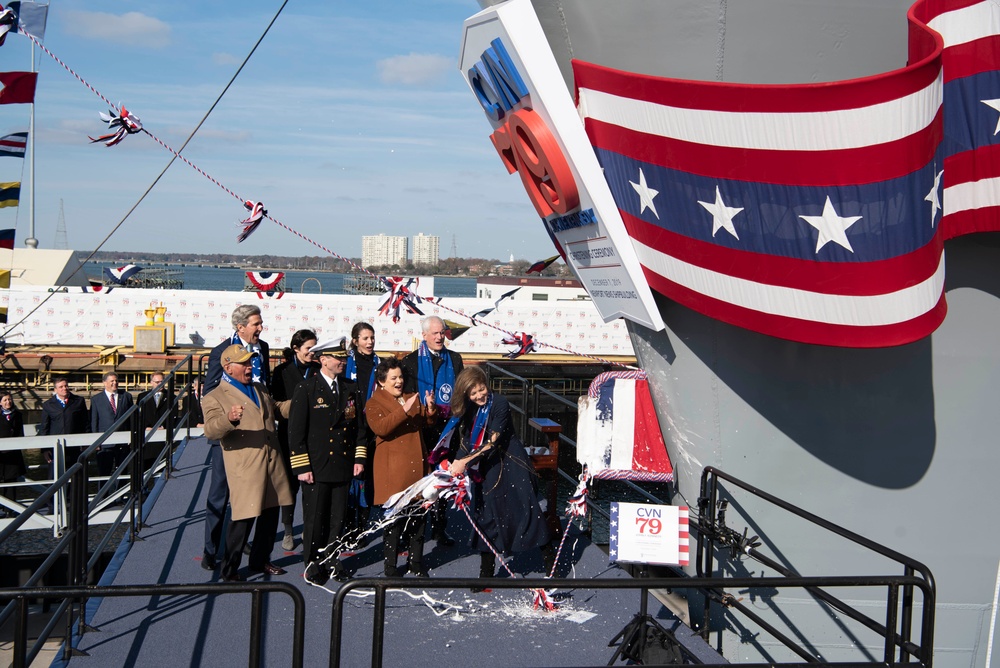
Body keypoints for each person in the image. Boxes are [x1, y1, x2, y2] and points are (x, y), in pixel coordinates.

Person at [448, 366, 552, 588]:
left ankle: (551, 568)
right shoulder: (469, 409)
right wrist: (454, 465)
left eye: (481, 389)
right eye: (473, 393)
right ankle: (485, 574)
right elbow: (466, 441)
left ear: (487, 385)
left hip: (512, 461)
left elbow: (492, 441)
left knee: (528, 509)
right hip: (487, 466)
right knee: (487, 514)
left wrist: (464, 462)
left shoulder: (500, 403)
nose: (479, 396)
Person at [202, 344, 292, 582]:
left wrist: (301, 401)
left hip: (271, 463)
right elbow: (210, 430)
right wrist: (228, 419)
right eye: (243, 363)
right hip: (246, 467)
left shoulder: (259, 388)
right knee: (242, 520)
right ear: (228, 367)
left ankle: (260, 560)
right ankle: (229, 570)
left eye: (250, 362)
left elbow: (277, 409)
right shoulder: (214, 396)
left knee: (270, 516)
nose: (249, 366)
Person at [287, 337, 365, 585]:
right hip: (317, 466)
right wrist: (302, 467)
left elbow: (359, 429)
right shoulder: (306, 389)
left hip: (342, 464)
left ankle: (332, 558)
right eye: (337, 357)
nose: (342, 361)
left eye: (343, 357)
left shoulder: (350, 388)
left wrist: (358, 458)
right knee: (314, 519)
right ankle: (312, 563)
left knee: (337, 519)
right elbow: (296, 433)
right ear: (323, 360)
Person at [201, 304, 271, 571]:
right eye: (256, 324)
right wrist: (223, 421)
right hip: (229, 437)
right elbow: (209, 393)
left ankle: (241, 543)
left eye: (260, 323)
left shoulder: (261, 348)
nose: (260, 328)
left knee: (252, 493)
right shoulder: (221, 352)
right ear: (240, 327)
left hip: (256, 437)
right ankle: (211, 549)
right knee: (219, 495)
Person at [365, 357, 436, 577]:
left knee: (418, 520)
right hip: (392, 472)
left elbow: (426, 421)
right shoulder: (374, 403)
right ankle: (390, 567)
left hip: (417, 469)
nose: (399, 382)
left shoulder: (410, 397)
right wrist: (403, 410)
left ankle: (416, 564)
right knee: (393, 524)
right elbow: (381, 428)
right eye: (393, 378)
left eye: (400, 377)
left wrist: (431, 409)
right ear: (382, 382)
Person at [402, 315, 464, 546]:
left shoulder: (455, 359)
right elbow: (406, 398)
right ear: (424, 335)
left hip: (447, 431)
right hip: (420, 431)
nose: (440, 337)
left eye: (442, 333)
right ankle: (411, 530)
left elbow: (461, 391)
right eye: (435, 333)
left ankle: (440, 528)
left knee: (442, 481)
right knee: (416, 482)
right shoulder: (410, 362)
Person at [269, 328, 318, 551]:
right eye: (308, 348)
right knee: (289, 487)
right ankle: (288, 529)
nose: (312, 353)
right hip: (289, 435)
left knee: (312, 484)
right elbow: (276, 407)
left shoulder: (319, 370)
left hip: (315, 436)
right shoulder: (281, 371)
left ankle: (310, 527)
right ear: (296, 349)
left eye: (315, 348)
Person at [344, 321, 379, 538]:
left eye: (372, 338)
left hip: (372, 428)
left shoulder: (380, 364)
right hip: (351, 428)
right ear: (355, 341)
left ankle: (362, 525)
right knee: (351, 477)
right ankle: (348, 525)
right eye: (365, 338)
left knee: (368, 478)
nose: (370, 342)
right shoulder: (346, 363)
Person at [38, 377, 90, 477]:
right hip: (56, 447)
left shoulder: (78, 401)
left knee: (76, 477)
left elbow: (85, 423)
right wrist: (44, 449)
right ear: (55, 389)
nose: (64, 388)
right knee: (55, 478)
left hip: (75, 447)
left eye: (66, 386)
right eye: (61, 387)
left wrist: (86, 442)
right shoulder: (48, 405)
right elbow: (45, 427)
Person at [90, 371, 134, 476]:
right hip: (105, 442)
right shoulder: (96, 399)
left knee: (123, 471)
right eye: (112, 381)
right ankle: (104, 493)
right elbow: (94, 421)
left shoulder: (126, 396)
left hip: (123, 441)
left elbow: (131, 418)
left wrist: (131, 436)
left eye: (116, 381)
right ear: (105, 383)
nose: (115, 383)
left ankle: (122, 492)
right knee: (104, 472)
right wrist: (96, 441)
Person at [0, 391, 25, 510]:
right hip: (1, 454)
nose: (8, 402)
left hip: (13, 453)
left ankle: (10, 509)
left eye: (9, 399)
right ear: (0, 402)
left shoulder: (18, 415)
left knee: (11, 481)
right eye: (5, 400)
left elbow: (20, 433)